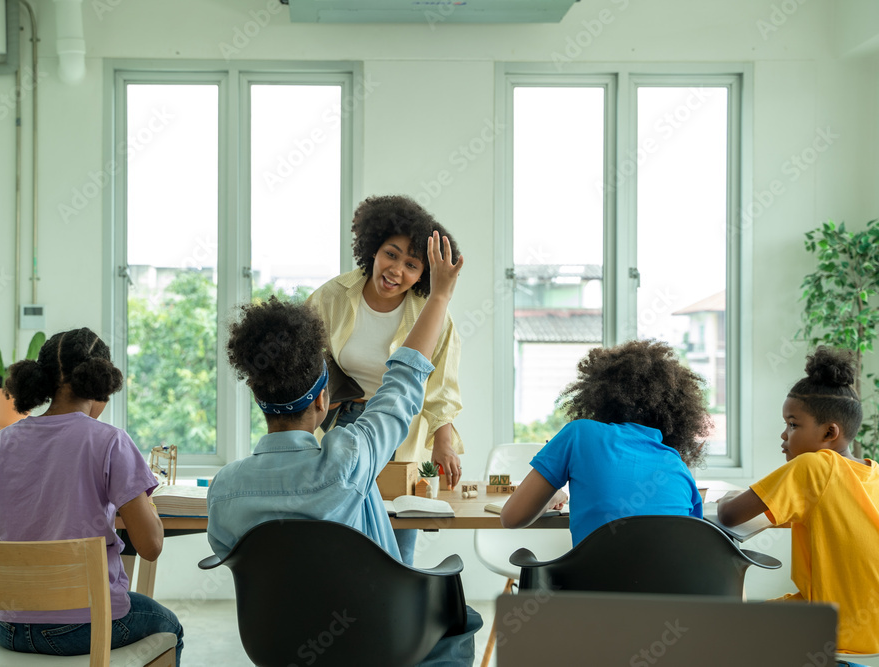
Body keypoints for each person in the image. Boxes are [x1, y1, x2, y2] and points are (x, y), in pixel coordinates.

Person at [207, 231, 482, 665]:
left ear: (259, 398)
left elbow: (234, 555)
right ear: (323, 399)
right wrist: (442, 296)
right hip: (373, 642)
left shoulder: (224, 489)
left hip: (275, 645)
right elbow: (404, 383)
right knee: (459, 616)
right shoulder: (352, 457)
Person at [0, 327, 184, 665]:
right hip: (82, 625)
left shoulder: (3, 442)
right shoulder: (110, 441)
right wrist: (145, 496)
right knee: (171, 626)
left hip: (7, 625)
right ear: (102, 382)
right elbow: (151, 546)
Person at [305, 194, 464, 565]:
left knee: (395, 545)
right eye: (391, 254)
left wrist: (444, 443)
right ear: (373, 248)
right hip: (341, 429)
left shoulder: (433, 314)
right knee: (340, 536)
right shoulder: (331, 297)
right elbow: (300, 367)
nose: (396, 271)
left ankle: (394, 617)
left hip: (400, 434)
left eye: (412, 264)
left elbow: (442, 386)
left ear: (424, 274)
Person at [717, 347, 879, 659]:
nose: (784, 435)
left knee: (727, 623)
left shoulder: (814, 466)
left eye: (793, 424)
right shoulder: (872, 473)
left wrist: (728, 496)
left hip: (835, 628)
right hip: (873, 632)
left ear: (829, 432)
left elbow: (729, 515)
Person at [500, 339, 709, 545]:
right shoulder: (679, 468)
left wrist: (553, 498)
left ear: (599, 396)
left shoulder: (579, 433)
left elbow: (511, 518)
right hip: (672, 580)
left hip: (592, 579)